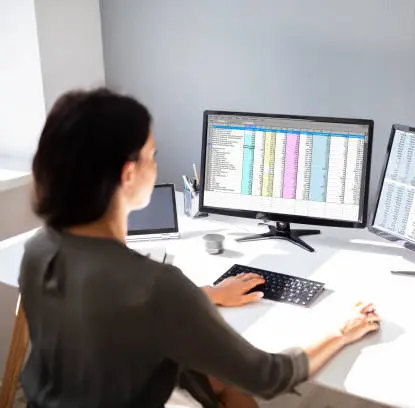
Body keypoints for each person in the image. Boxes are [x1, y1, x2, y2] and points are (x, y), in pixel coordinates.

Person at [18, 88, 381, 408]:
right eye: (152, 154)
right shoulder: (157, 285)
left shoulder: (37, 252)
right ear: (128, 175)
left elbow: (115, 312)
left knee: (210, 379)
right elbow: (268, 377)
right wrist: (342, 330)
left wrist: (208, 294)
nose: (157, 164)